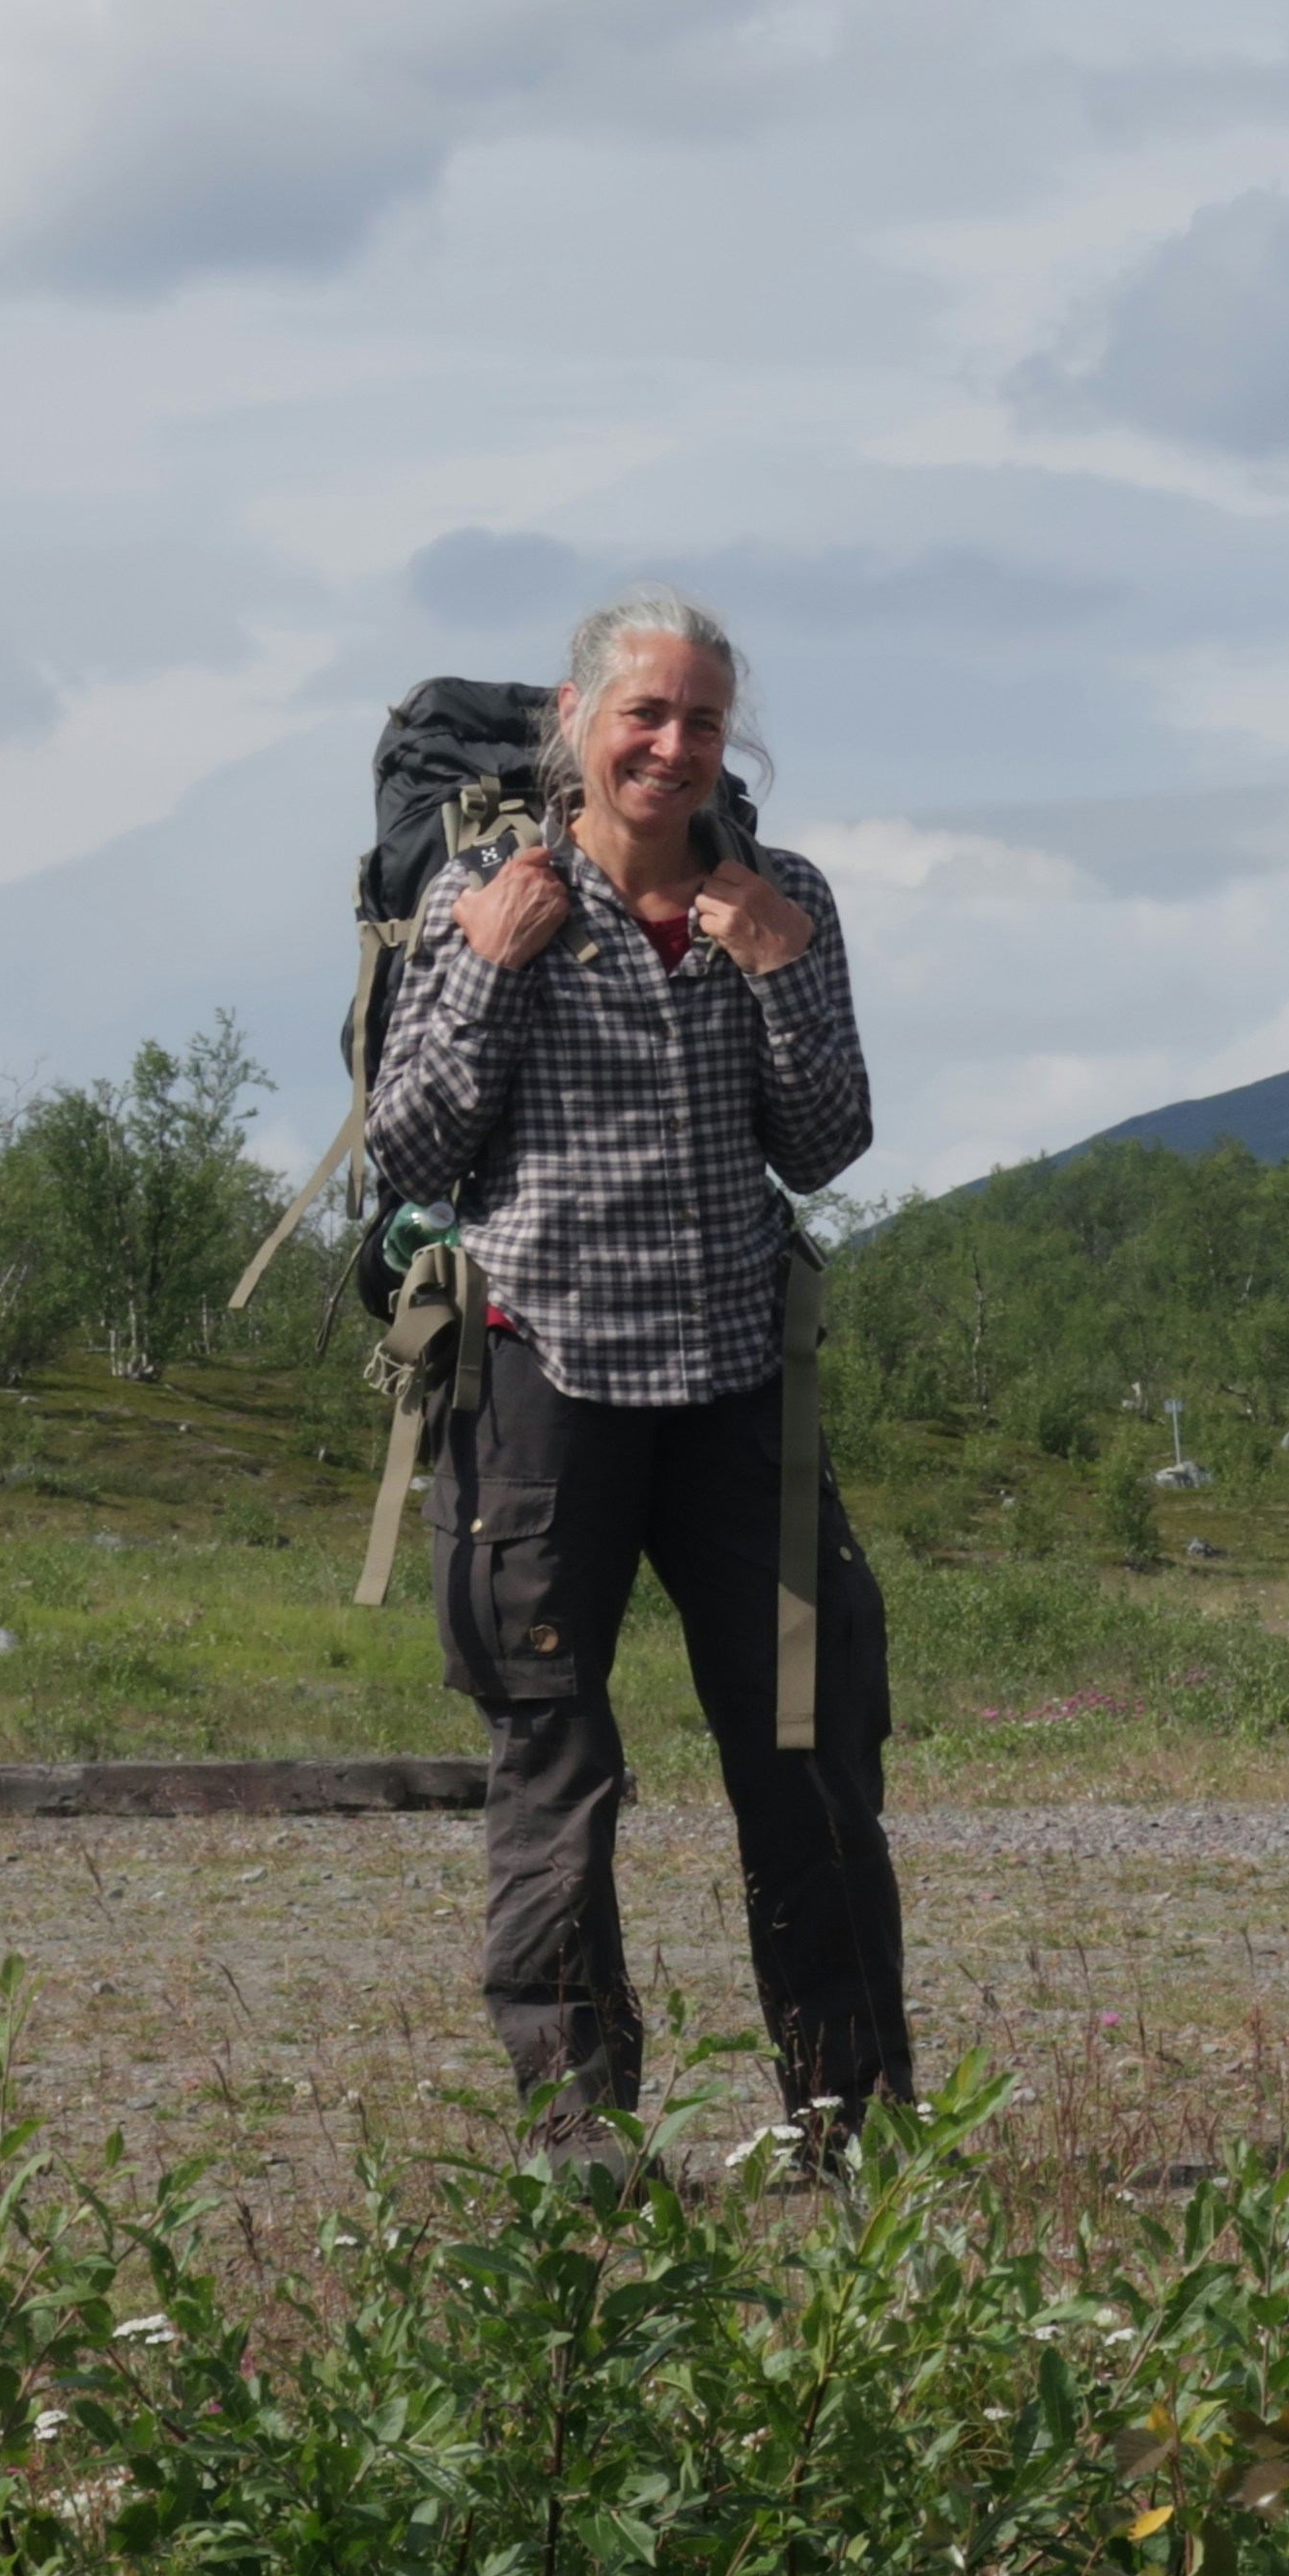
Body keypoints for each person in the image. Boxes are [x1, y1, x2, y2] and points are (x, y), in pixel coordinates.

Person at [366, 586, 909, 2163]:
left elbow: (822, 1143)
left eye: (703, 721)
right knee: (555, 1759)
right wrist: (483, 971)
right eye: (645, 715)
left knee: (810, 1748)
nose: (672, 748)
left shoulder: (778, 892)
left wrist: (780, 972)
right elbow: (408, 1151)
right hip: (548, 1385)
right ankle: (580, 2136)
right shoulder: (486, 890)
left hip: (742, 1384)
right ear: (576, 722)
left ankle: (854, 2120)